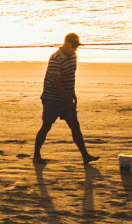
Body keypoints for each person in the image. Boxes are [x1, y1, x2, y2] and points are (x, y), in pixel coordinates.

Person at [33, 32, 99, 165]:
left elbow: (70, 77)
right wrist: (66, 99)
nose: (75, 49)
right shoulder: (56, 59)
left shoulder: (73, 55)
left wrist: (72, 93)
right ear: (66, 44)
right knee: (46, 126)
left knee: (75, 125)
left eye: (76, 47)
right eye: (73, 46)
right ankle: (36, 155)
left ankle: (85, 155)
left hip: (66, 97)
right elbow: (56, 82)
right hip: (52, 98)